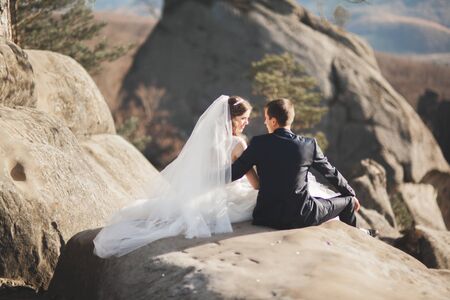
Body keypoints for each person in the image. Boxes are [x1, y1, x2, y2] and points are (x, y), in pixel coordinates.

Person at [93, 95, 258, 258]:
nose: (247, 122)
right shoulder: (238, 144)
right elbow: (255, 184)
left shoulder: (205, 143)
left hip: (198, 195)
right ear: (231, 119)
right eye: (243, 118)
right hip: (224, 198)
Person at [231, 98, 362, 230]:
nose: (265, 122)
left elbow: (235, 173)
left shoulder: (258, 143)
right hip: (301, 217)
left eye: (266, 118)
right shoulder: (309, 145)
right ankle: (359, 238)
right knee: (348, 201)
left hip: (266, 217)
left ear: (273, 121)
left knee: (317, 199)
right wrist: (350, 193)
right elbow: (330, 173)